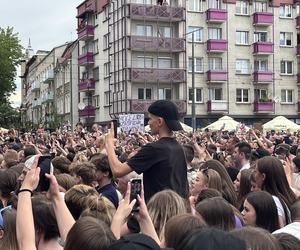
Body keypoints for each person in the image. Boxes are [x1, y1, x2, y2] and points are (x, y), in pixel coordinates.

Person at [105, 100, 188, 201]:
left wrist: (109, 143)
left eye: (150, 119)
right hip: (176, 209)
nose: (148, 123)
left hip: (157, 211)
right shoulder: (179, 148)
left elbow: (118, 171)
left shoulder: (154, 149)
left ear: (159, 121)